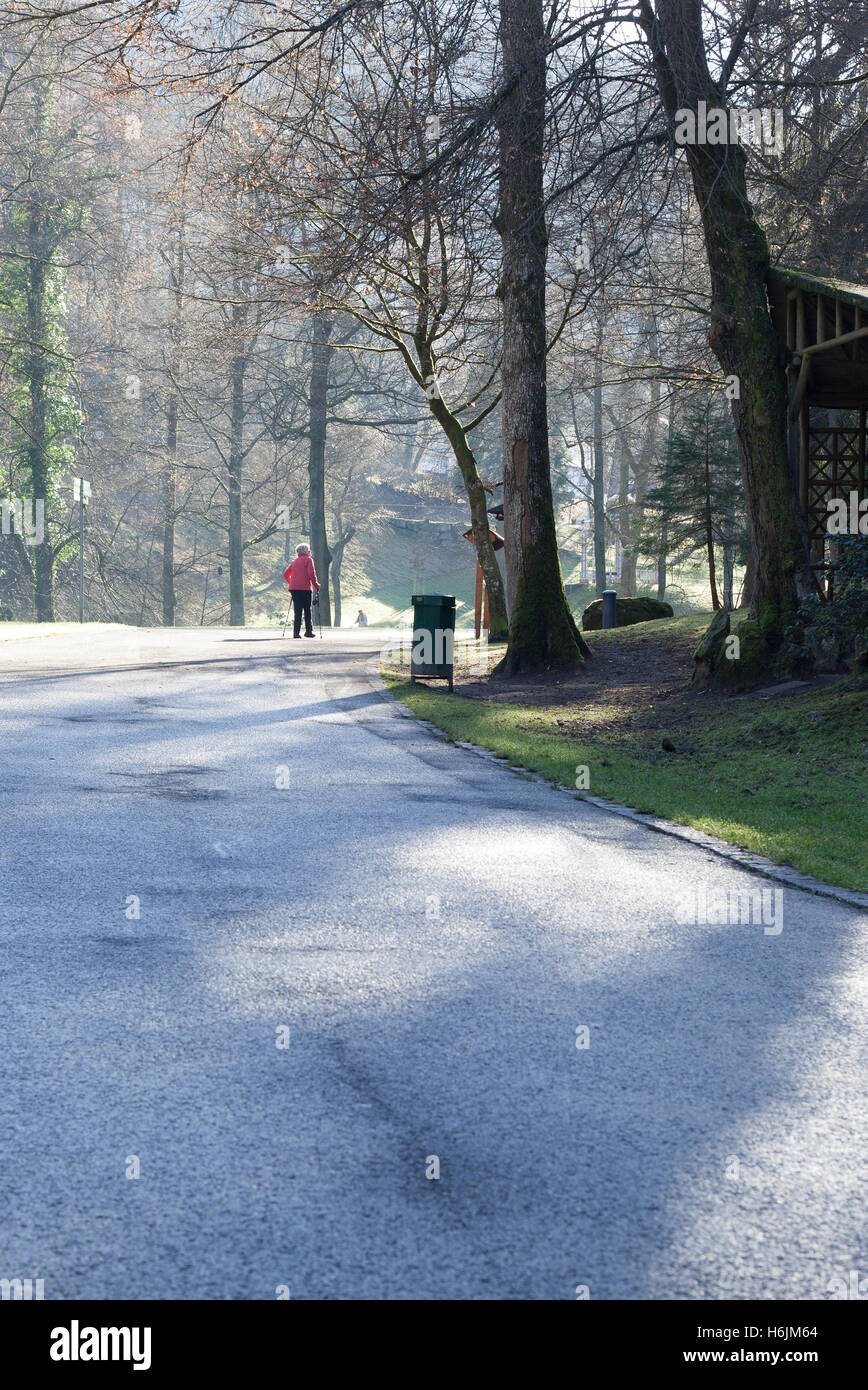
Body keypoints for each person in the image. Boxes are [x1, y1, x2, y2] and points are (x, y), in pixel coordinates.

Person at [283, 544, 320, 638]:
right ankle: (308, 631)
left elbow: (286, 574)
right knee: (307, 610)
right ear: (306, 551)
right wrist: (316, 585)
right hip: (305, 588)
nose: (310, 551)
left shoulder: (294, 561)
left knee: (297, 611)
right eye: (308, 550)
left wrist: (292, 583)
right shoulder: (308, 560)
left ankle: (296, 632)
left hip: (294, 589)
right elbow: (311, 574)